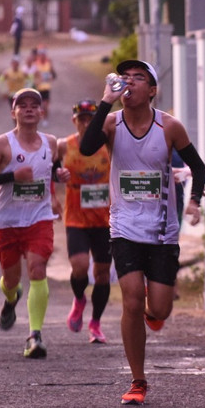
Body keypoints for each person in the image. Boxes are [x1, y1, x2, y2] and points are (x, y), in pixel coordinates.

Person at [79, 59, 205, 405]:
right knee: (132, 300)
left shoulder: (169, 127)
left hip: (163, 231)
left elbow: (198, 167)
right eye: (125, 78)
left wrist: (193, 201)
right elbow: (86, 147)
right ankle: (138, 380)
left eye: (138, 78)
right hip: (123, 227)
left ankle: (155, 314)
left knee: (160, 309)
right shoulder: (109, 123)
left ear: (152, 90)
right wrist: (105, 100)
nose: (129, 83)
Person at [0, 88, 69, 359]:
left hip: (39, 219)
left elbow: (53, 170)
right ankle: (11, 296)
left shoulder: (51, 143)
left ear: (42, 112)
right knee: (11, 278)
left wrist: (61, 175)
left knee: (38, 269)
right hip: (7, 221)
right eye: (22, 105)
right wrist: (13, 176)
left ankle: (34, 335)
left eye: (34, 105)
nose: (29, 109)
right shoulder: (1, 144)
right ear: (13, 112)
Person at [57, 99, 113, 344]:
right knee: (79, 267)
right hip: (76, 217)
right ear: (74, 121)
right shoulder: (63, 146)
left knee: (102, 274)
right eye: (82, 119)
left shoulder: (108, 145)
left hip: (105, 218)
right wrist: (53, 191)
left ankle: (96, 323)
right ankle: (79, 298)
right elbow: (49, 170)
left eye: (91, 119)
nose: (86, 123)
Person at [32, 47, 56, 126]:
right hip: (38, 88)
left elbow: (54, 75)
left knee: (45, 105)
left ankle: (45, 119)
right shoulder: (35, 64)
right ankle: (38, 119)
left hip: (46, 87)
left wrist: (51, 76)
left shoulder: (48, 64)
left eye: (43, 55)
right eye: (41, 55)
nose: (42, 56)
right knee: (39, 106)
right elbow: (31, 76)